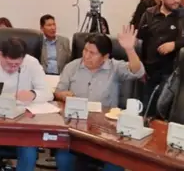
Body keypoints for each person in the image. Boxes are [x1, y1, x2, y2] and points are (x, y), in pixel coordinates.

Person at [53, 26, 144, 171]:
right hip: (76, 131)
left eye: (92, 53)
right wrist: (62, 95)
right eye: (85, 50)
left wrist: (129, 49)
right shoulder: (72, 67)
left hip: (106, 132)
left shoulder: (115, 68)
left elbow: (138, 72)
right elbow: (58, 92)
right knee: (63, 158)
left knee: (116, 164)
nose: (86, 56)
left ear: (105, 56)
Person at [0, 37, 52, 171]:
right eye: (9, 64)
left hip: (22, 126)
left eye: (17, 64)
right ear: (0, 55)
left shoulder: (32, 63)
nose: (13, 68)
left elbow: (48, 93)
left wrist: (33, 94)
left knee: (29, 157)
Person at [137, 0, 184, 116]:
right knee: (146, 108)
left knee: (163, 109)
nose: (176, 0)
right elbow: (140, 41)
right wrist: (140, 67)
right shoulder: (149, 14)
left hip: (171, 71)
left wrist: (175, 44)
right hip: (150, 69)